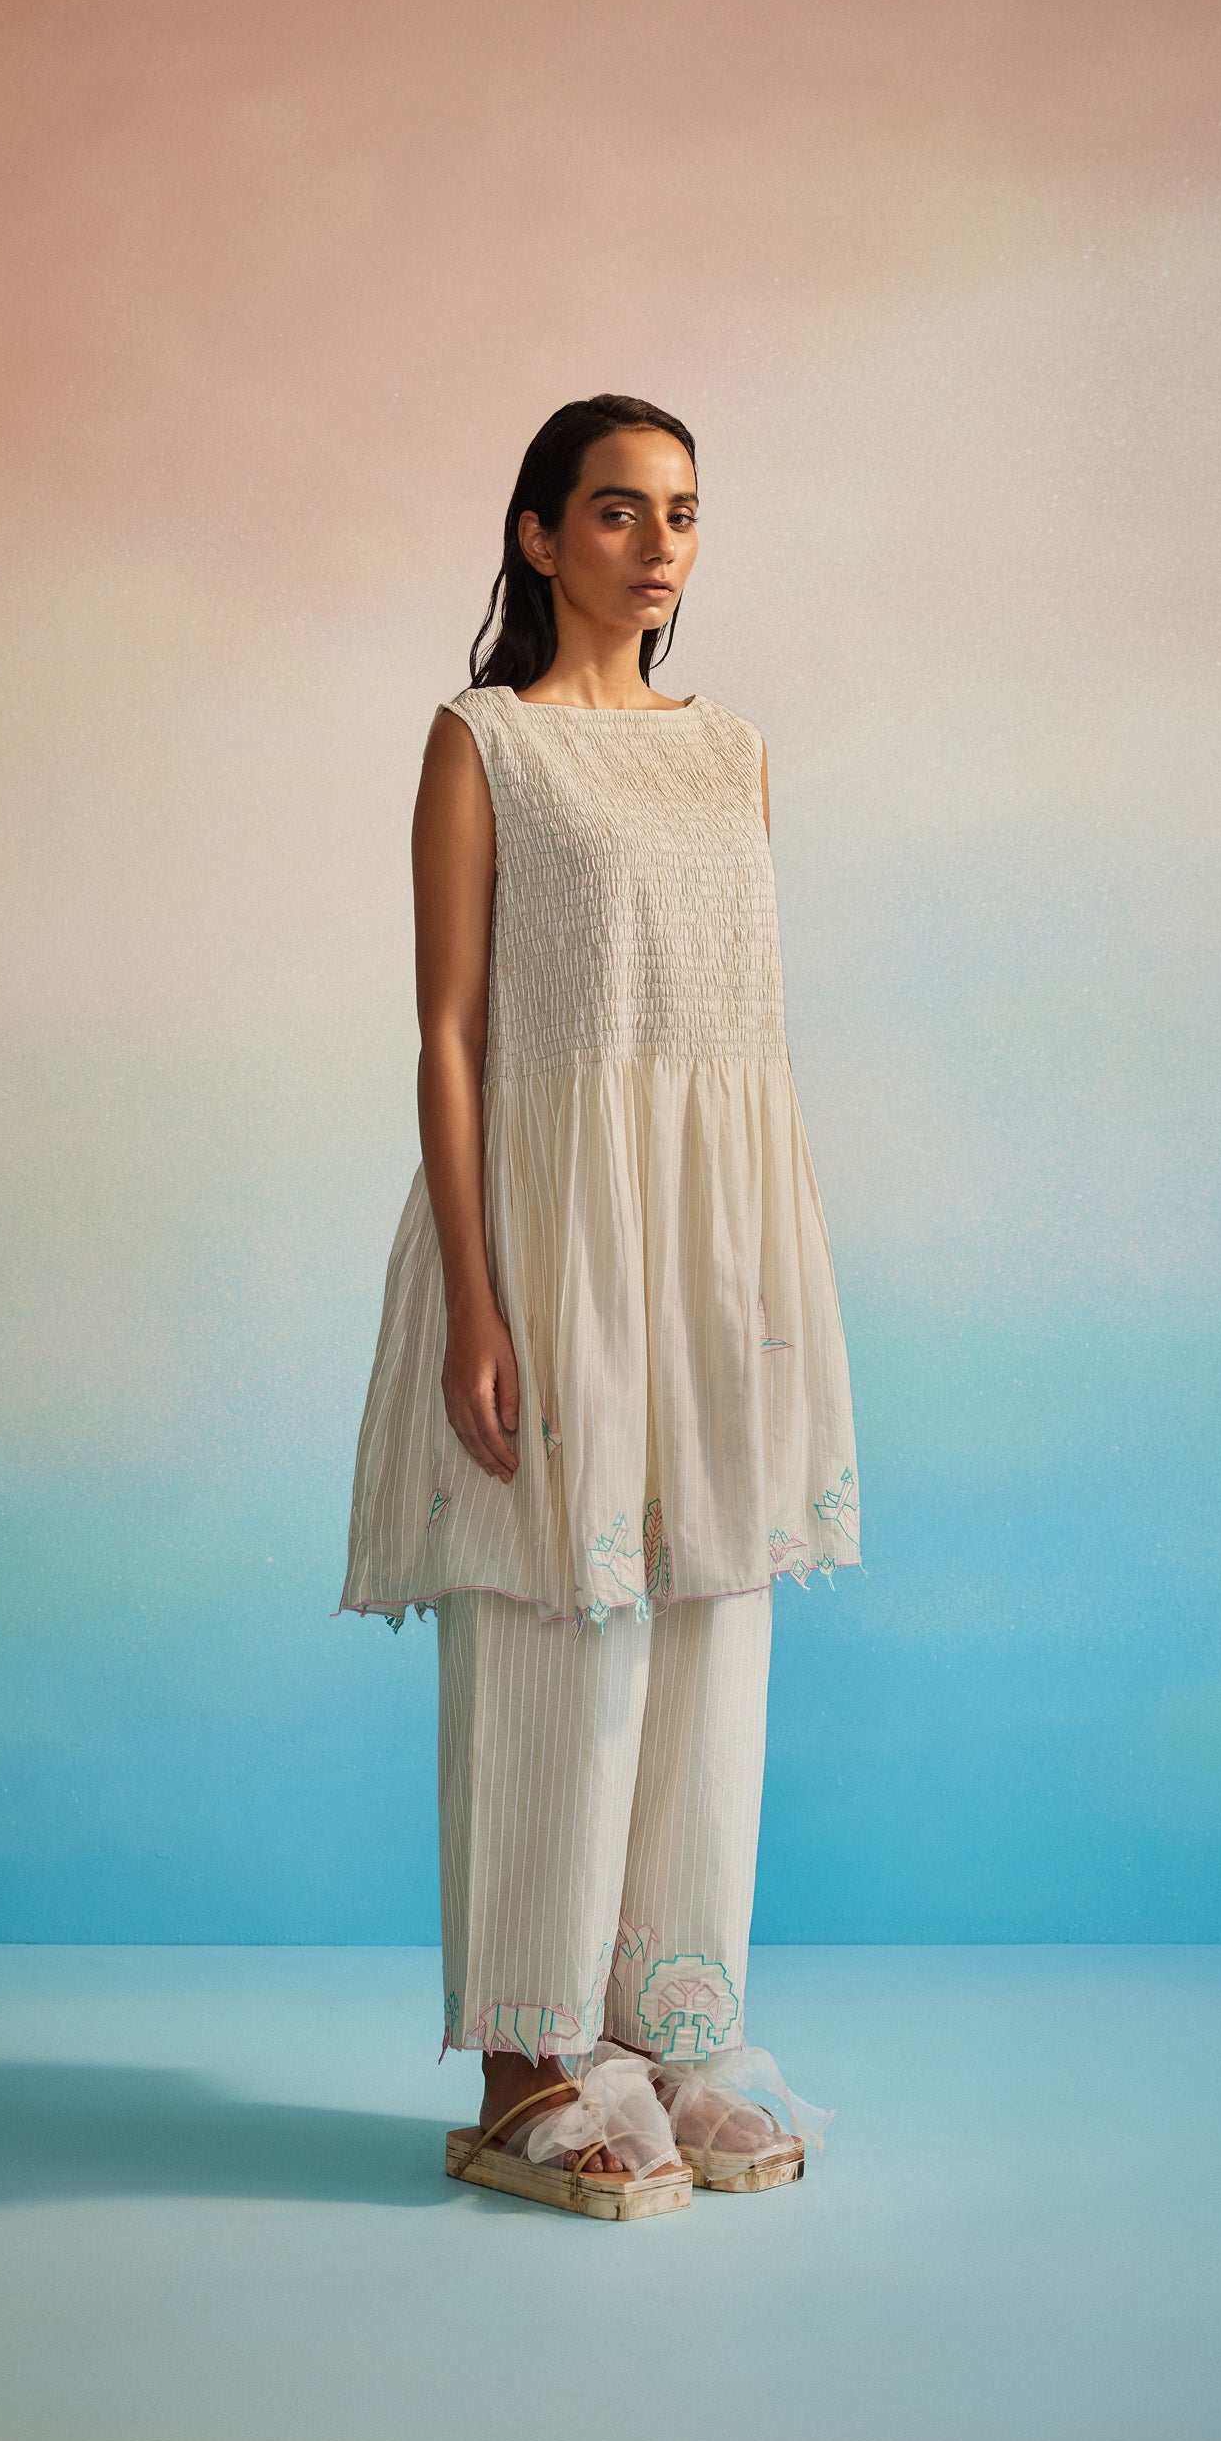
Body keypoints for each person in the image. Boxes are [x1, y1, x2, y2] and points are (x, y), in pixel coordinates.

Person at [341, 393, 861, 2214]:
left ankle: (674, 2024)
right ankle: (527, 2060)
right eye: (621, 509)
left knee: (711, 1609)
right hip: (557, 1236)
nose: (659, 545)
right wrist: (477, 1302)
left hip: (718, 1248)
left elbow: (734, 1041)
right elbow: (450, 1037)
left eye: (685, 512)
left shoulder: (734, 755)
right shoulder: (484, 744)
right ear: (540, 534)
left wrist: (769, 1269)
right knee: (560, 1618)